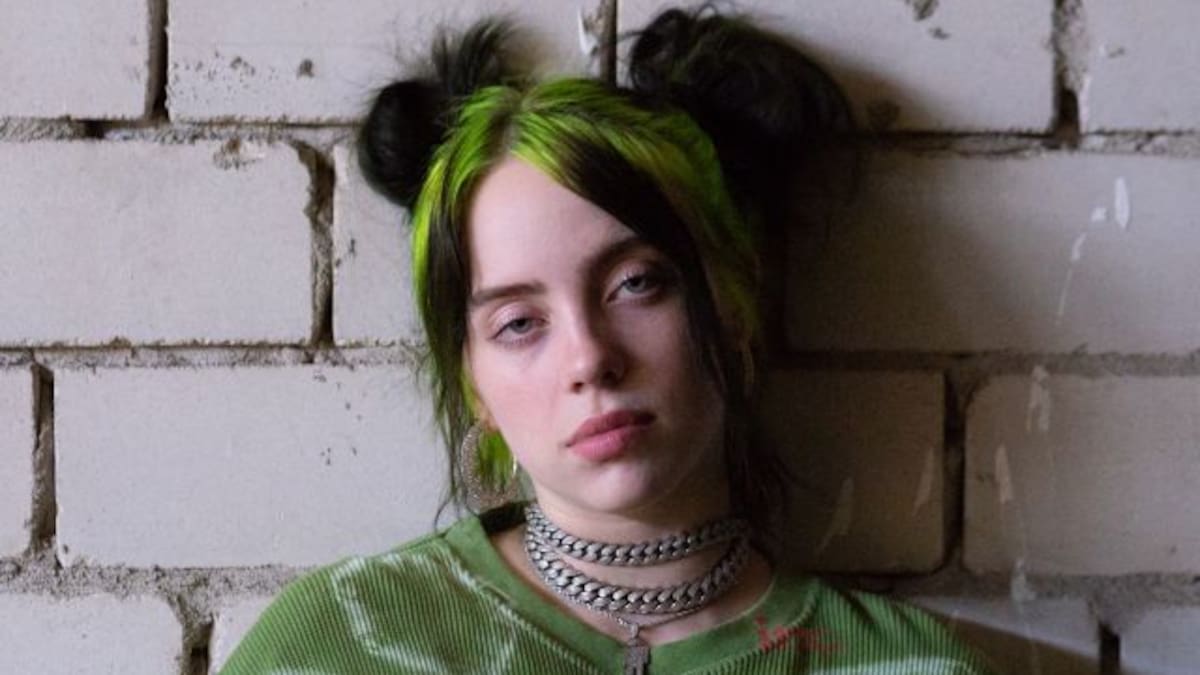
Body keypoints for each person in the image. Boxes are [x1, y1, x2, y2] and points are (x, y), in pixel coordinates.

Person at [220, 7, 998, 674]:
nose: (590, 358)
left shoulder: (906, 663)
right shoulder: (339, 642)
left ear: (732, 304)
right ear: (473, 383)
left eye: (636, 284)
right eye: (519, 323)